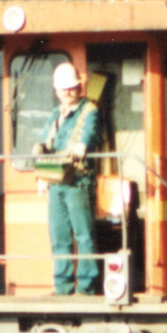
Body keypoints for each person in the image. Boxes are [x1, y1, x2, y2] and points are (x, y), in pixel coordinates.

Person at [39, 60, 101, 294]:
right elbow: (46, 142)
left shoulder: (90, 110)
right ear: (57, 91)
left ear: (79, 87)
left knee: (83, 235)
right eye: (64, 88)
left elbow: (90, 132)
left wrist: (82, 145)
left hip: (78, 182)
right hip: (56, 183)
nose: (68, 92)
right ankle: (63, 287)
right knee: (59, 235)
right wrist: (41, 176)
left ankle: (86, 287)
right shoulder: (56, 114)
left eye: (72, 87)